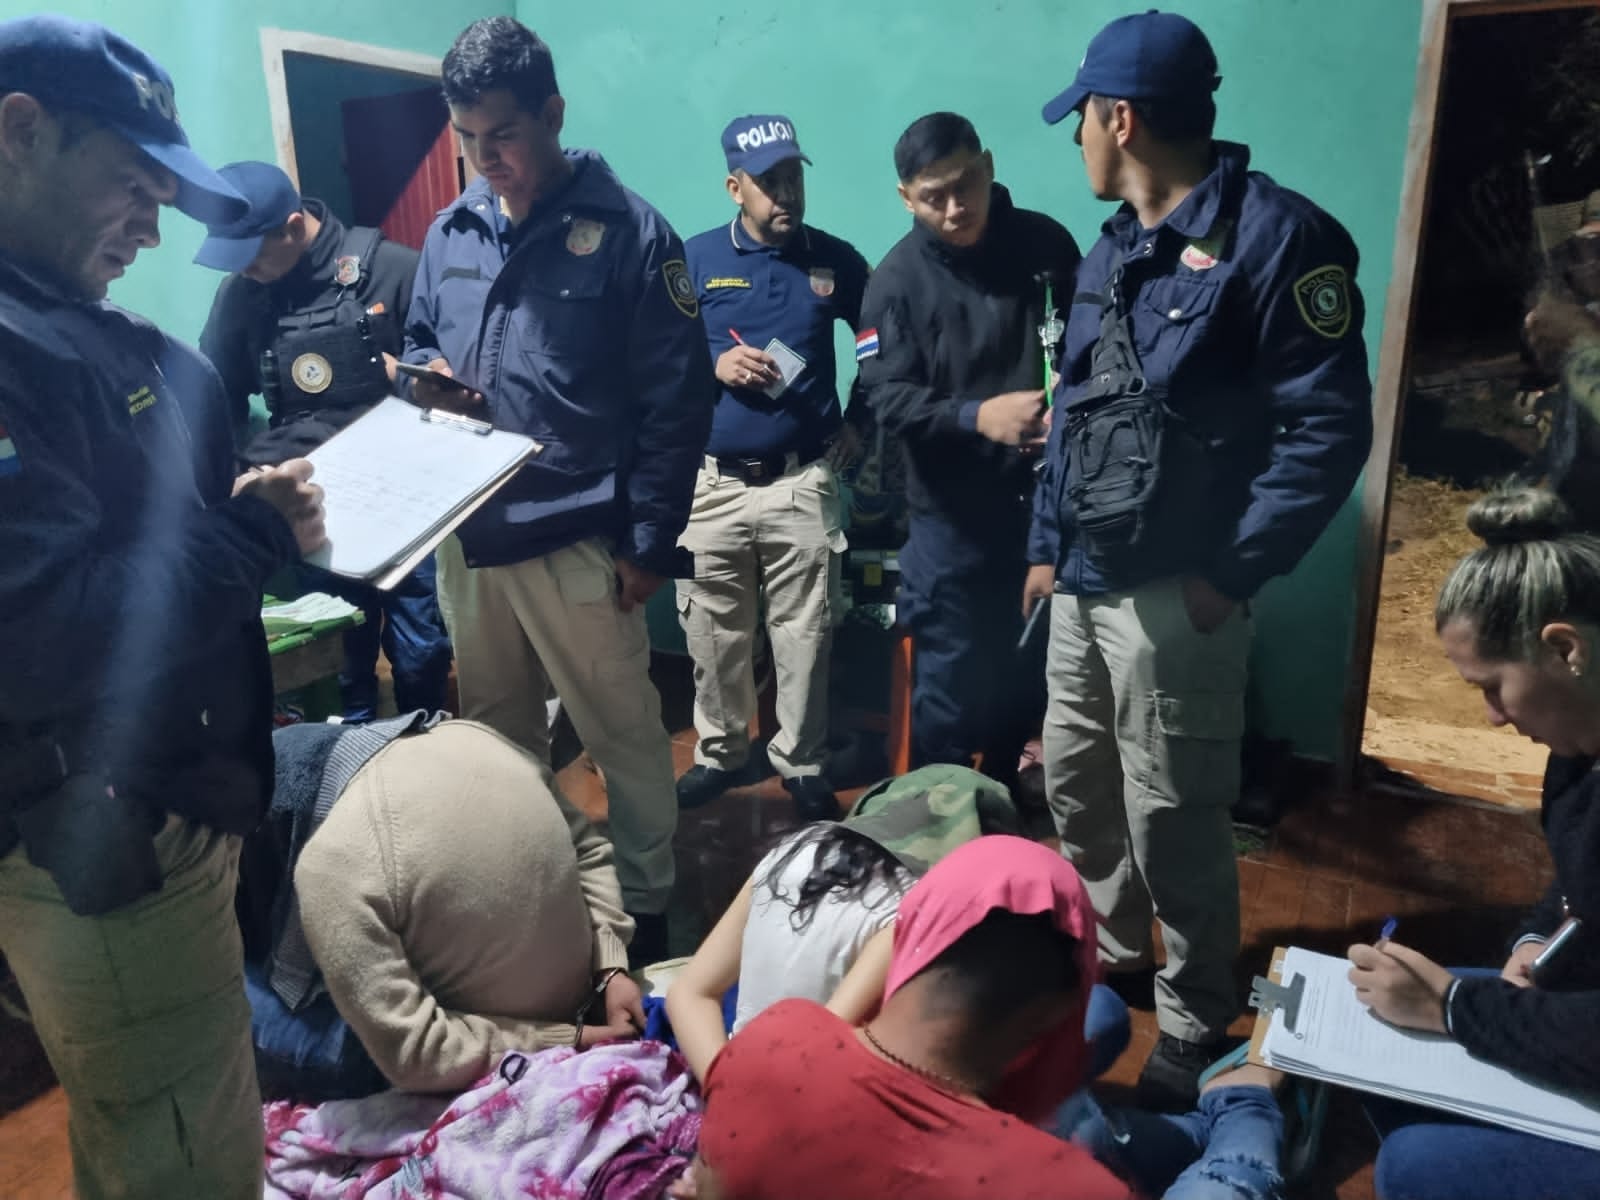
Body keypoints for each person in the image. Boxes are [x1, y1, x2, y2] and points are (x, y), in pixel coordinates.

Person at [0, 15, 326, 1198]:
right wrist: (247, 535)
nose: (152, 224)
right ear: (21, 133)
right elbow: (42, 631)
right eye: (131, 186)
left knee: (150, 1136)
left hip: (159, 810)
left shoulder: (63, 324)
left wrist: (238, 516)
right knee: (186, 1157)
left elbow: (123, 540)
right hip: (106, 830)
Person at [1027, 10, 1374, 1108]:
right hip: (1083, 583)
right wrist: (1044, 550)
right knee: (1079, 792)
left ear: (1118, 118)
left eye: (1081, 116)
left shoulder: (1279, 241)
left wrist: (1231, 576)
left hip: (1181, 597)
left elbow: (1329, 432)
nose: (1076, 136)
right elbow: (1072, 414)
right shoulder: (1109, 251)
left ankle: (1193, 1007)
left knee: (1175, 811)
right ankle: (1118, 954)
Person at [403, 17, 715, 963]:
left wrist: (651, 543)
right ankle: (538, 895)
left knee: (622, 735)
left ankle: (648, 910)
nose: (482, 158)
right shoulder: (449, 232)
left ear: (553, 113)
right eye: (464, 139)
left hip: (581, 538)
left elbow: (678, 400)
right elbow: (422, 336)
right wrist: (420, 373)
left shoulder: (629, 231)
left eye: (500, 135)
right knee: (497, 739)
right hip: (472, 538)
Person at [1350, 485, 1600, 1200]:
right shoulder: (1580, 749)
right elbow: (1580, 884)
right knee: (1386, 1044)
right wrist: (1536, 935)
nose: (1491, 719)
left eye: (1493, 687)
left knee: (1415, 1165)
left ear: (1564, 648)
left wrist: (1456, 1009)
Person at [692, 835, 1129, 1199]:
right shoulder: (1071, 1186)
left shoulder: (772, 1039)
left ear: (912, 931)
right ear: (1053, 1011)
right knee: (1110, 1026)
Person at [857, 112, 1081, 794]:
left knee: (1023, 685)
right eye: (933, 196)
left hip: (1042, 522)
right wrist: (975, 416)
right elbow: (883, 399)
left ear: (987, 164)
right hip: (951, 533)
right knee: (949, 704)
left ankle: (1004, 826)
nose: (955, 208)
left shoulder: (1048, 246)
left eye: (965, 185)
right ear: (906, 198)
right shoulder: (894, 283)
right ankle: (938, 846)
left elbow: (1092, 353)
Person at [245, 715, 641, 1098]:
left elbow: (418, 1054)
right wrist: (610, 967)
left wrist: (564, 1039)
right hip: (590, 989)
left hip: (460, 1050)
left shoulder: (332, 862)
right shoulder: (479, 739)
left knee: (214, 987)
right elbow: (589, 850)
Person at [196, 161, 452, 722]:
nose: (247, 271)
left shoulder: (393, 269)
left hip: (406, 499)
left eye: (253, 255)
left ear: (292, 226)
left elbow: (447, 389)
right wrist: (243, 470)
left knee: (422, 646)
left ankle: (424, 738)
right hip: (311, 501)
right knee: (341, 647)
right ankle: (349, 756)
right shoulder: (241, 295)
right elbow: (214, 401)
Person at [674, 114, 872, 822]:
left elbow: (881, 343)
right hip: (711, 488)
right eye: (768, 182)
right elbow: (656, 355)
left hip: (802, 480)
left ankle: (801, 760)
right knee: (711, 632)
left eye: (793, 177)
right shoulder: (693, 259)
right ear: (735, 187)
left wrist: (862, 419)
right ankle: (721, 755)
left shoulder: (837, 261)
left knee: (806, 633)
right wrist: (713, 362)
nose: (785, 194)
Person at [665, 764, 1033, 1081]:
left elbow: (687, 994)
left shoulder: (797, 849)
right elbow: (822, 1054)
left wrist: (722, 1088)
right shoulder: (912, 910)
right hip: (803, 1114)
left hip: (737, 1072)